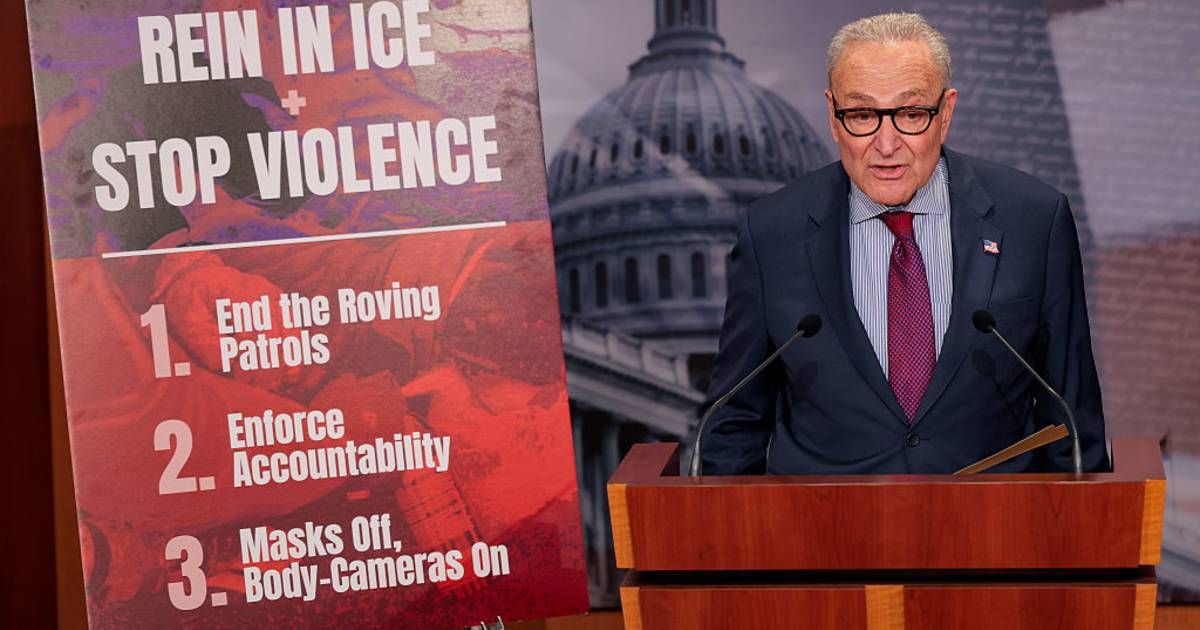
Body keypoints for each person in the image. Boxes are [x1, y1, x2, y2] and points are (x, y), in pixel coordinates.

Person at [700, 12, 1107, 475]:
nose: (887, 143)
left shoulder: (1034, 220)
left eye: (911, 114)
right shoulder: (772, 233)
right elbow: (732, 424)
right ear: (833, 117)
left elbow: (1073, 423)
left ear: (946, 113)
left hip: (993, 536)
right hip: (822, 536)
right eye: (862, 115)